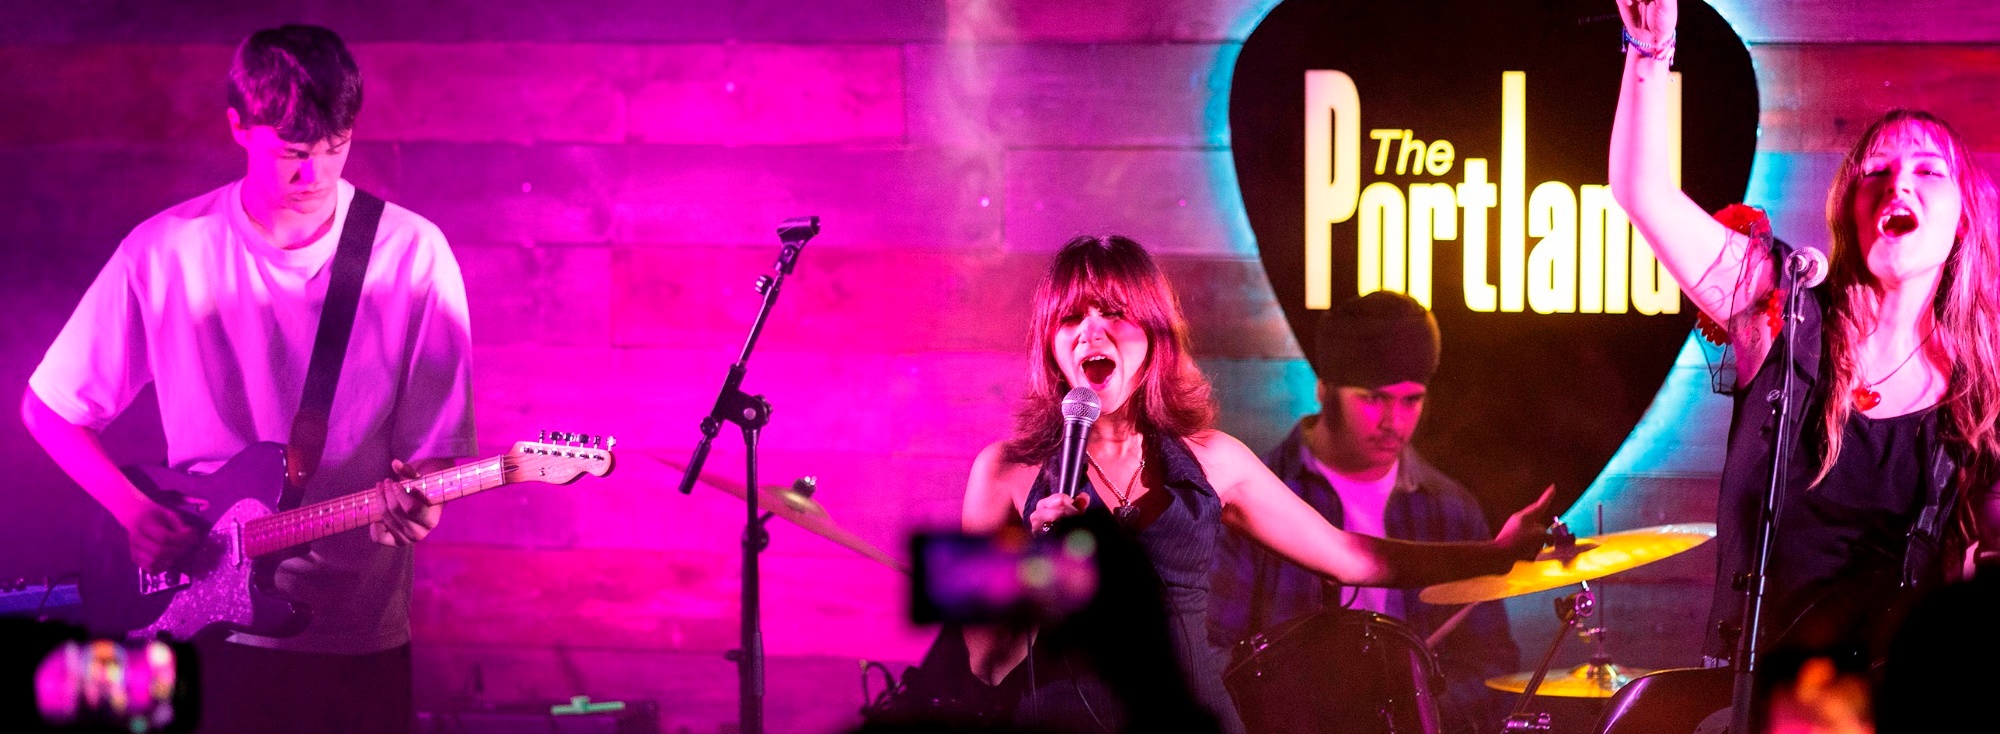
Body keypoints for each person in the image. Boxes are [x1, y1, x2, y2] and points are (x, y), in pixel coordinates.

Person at [19, 25, 474, 733]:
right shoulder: (164, 252)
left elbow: (435, 456)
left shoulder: (413, 256)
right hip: (193, 632)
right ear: (238, 126)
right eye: (291, 153)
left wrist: (421, 506)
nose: (315, 176)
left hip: (353, 633)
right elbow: (49, 409)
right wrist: (132, 512)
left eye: (336, 146)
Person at [960, 235, 1554, 733]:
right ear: (1050, 344)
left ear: (1155, 334)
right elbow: (986, 663)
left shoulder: (1216, 460)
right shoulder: (1001, 472)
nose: (1091, 333)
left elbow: (1351, 557)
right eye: (1070, 318)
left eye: (1114, 312)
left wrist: (1495, 553)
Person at [1610, 0, 2000, 685]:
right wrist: (1649, 50)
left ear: (1963, 218)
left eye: (1928, 171)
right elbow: (1644, 193)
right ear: (1850, 205)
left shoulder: (1981, 392)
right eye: (1876, 171)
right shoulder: (1781, 305)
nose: (1898, 183)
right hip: (1761, 694)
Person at [1209, 290, 1518, 734]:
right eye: (1374, 398)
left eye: (1411, 400)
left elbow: (1491, 664)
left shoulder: (1450, 511)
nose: (1394, 421)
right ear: (1324, 390)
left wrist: (1419, 712)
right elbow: (1213, 653)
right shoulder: (1254, 497)